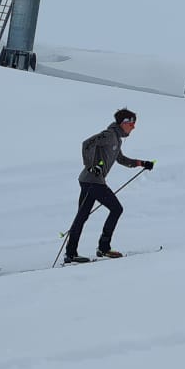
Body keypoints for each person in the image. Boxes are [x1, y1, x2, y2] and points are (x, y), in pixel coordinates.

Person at [65, 108, 154, 264]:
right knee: (116, 209)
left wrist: (141, 163)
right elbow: (87, 144)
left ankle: (72, 253)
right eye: (132, 123)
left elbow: (120, 159)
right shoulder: (109, 135)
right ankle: (103, 248)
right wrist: (91, 166)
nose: (134, 127)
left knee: (82, 216)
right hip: (92, 181)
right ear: (124, 123)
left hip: (92, 181)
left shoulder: (117, 139)